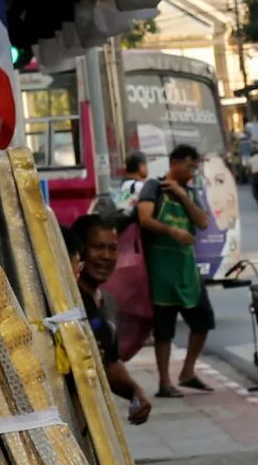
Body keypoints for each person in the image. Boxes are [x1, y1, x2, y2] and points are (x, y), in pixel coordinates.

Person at [137, 143, 215, 398]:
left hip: (187, 270)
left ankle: (188, 372)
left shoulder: (189, 191)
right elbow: (144, 219)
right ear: (176, 163)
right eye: (191, 165)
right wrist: (172, 231)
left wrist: (182, 195)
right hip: (161, 270)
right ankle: (164, 382)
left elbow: (202, 222)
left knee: (203, 320)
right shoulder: (153, 187)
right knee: (164, 329)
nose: (193, 171)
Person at [64, 213, 152, 425]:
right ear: (80, 251)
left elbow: (110, 363)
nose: (106, 256)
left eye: (112, 248)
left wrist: (134, 391)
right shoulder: (65, 304)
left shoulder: (108, 303)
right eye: (97, 247)